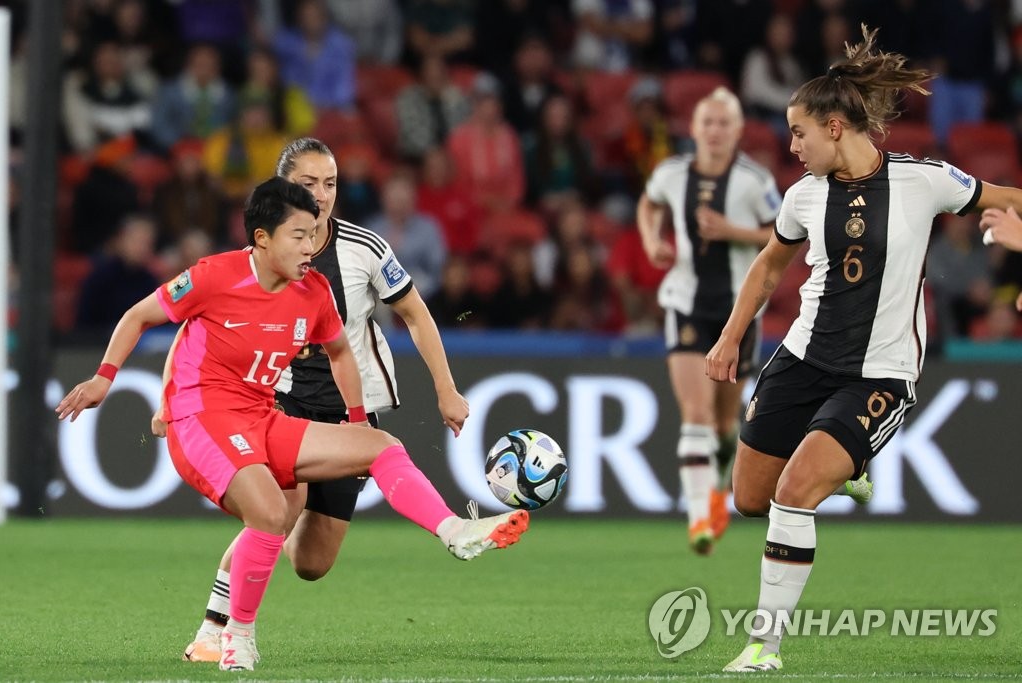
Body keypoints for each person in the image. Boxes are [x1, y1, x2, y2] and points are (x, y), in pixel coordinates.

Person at [55, 177, 528, 673]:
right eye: (298, 236)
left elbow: (341, 352)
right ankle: (237, 637)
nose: (310, 246)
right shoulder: (215, 276)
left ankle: (453, 530)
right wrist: (104, 380)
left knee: (379, 446)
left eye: (314, 233)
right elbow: (140, 317)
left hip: (262, 414)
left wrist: (358, 423)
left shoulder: (313, 291)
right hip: (202, 418)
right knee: (269, 510)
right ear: (262, 238)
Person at [705, 26, 1022, 672]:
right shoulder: (802, 197)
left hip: (879, 373)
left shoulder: (924, 181)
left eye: (798, 133)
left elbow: (1009, 198)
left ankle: (765, 644)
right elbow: (768, 267)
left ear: (833, 126)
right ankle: (843, 469)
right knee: (748, 499)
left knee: (794, 492)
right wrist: (731, 335)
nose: (791, 147)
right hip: (800, 359)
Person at [165, 138, 473, 664]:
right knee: (273, 512)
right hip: (278, 403)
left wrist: (445, 387)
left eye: (329, 183)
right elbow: (197, 322)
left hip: (349, 407)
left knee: (312, 561)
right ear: (286, 188)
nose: (322, 194)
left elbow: (416, 314)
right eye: (308, 184)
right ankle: (218, 630)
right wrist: (168, 392)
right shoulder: (257, 256)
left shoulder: (365, 249)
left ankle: (265, 548)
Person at [636, 86, 782, 556]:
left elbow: (785, 235)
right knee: (695, 413)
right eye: (708, 122)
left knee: (723, 424)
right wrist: (651, 238)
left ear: (738, 130)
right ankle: (699, 514)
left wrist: (731, 231)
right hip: (685, 302)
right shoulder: (672, 173)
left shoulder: (753, 181)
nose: (715, 131)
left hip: (739, 313)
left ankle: (715, 494)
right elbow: (648, 202)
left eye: (725, 123)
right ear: (694, 128)